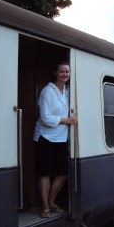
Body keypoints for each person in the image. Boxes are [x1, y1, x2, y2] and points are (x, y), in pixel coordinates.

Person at [33, 61, 78, 218]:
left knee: (63, 173)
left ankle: (51, 202)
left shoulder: (67, 91)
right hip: (45, 137)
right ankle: (45, 207)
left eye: (67, 72)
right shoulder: (48, 91)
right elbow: (45, 118)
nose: (65, 74)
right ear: (55, 73)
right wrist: (68, 120)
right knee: (44, 173)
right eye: (62, 72)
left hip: (61, 137)